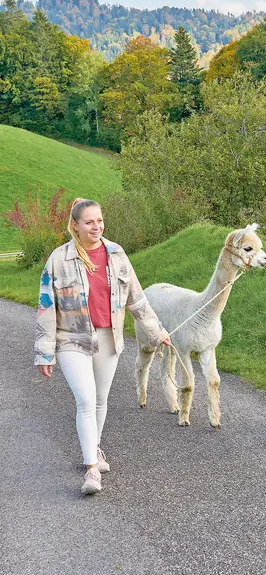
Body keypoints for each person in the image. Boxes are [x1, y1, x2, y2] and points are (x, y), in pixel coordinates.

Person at [35, 197, 172, 494]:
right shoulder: (59, 260)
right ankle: (91, 470)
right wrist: (44, 352)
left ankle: (94, 449)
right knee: (85, 399)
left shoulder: (116, 253)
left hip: (109, 337)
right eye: (89, 222)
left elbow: (136, 299)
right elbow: (47, 307)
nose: (96, 227)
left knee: (99, 399)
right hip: (72, 339)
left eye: (99, 221)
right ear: (75, 225)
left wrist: (157, 331)